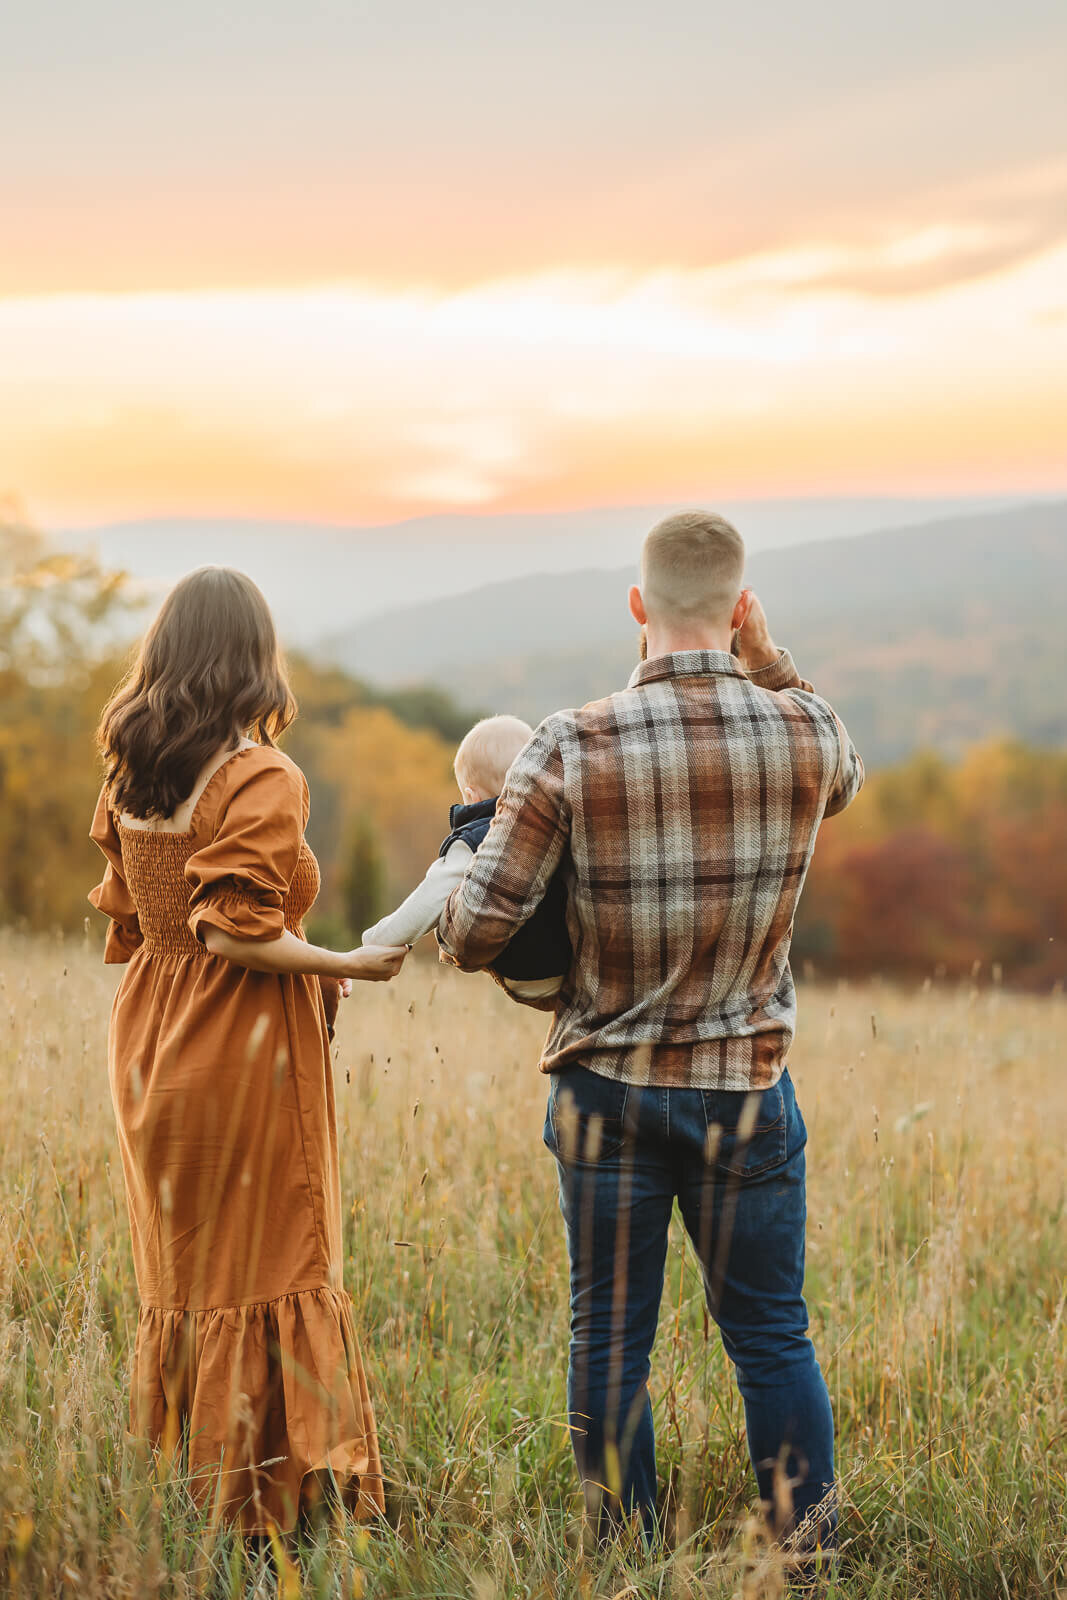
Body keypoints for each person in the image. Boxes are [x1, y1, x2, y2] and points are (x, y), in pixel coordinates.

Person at [438, 511, 864, 1567]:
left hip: (604, 1096)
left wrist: (470, 853)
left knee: (608, 1345)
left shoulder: (568, 744)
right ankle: (801, 1558)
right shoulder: (803, 733)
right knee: (770, 1336)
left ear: (636, 606)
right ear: (738, 607)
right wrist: (767, 663)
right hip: (747, 1091)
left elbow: (471, 933)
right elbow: (842, 765)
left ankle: (626, 1560)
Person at [88, 566, 408, 1535]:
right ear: (252, 657)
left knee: (185, 1276)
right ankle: (276, 1495)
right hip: (240, 1047)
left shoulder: (131, 772)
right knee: (277, 1259)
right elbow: (231, 930)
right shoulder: (260, 774)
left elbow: (146, 929)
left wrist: (305, 962)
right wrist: (342, 956)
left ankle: (196, 1480)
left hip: (149, 1042)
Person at [363, 713, 570, 1001]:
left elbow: (429, 899)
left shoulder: (478, 837)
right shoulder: (554, 824)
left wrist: (375, 940)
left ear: (471, 797)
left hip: (529, 972)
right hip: (574, 967)